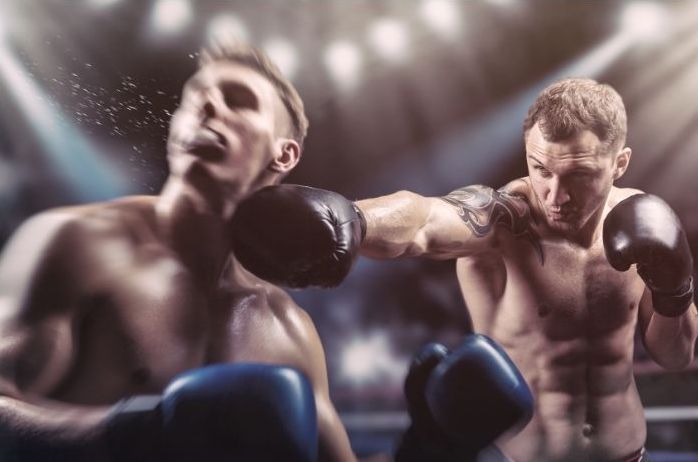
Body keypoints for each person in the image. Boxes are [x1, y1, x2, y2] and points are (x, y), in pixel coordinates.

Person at [232, 78, 698, 461]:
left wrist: (677, 292)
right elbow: (426, 220)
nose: (555, 195)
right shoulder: (504, 221)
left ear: (619, 163)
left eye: (578, 175)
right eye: (541, 169)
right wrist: (357, 219)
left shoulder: (643, 223)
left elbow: (676, 357)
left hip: (627, 454)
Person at [0, 38, 354, 461]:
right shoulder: (77, 243)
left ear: (284, 154)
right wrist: (135, 432)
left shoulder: (288, 330)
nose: (207, 108)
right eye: (195, 100)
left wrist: (435, 438)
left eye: (238, 101)